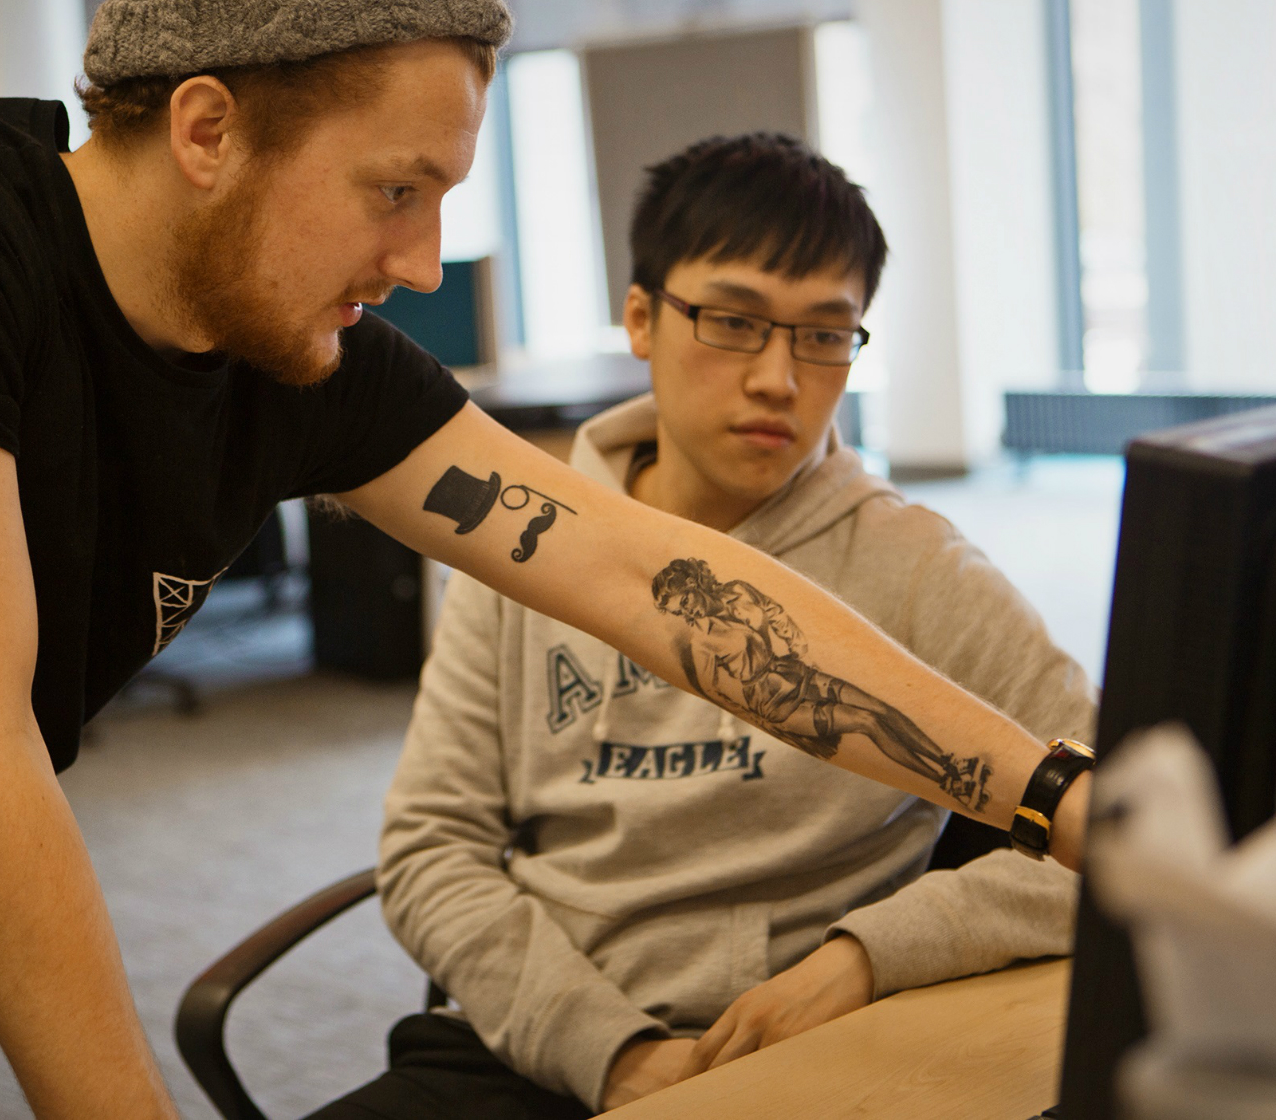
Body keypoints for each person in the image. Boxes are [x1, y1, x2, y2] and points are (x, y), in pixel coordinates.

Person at [0, 0, 1090, 1114]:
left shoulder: (292, 360)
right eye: (393, 190)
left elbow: (641, 575)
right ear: (210, 126)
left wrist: (1052, 793)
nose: (423, 261)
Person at [307, 134, 1098, 1120]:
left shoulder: (920, 568)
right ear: (641, 317)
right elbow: (431, 845)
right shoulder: (520, 545)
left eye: (824, 334)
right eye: (733, 321)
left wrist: (870, 953)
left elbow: (1116, 819)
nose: (778, 378)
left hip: (808, 1041)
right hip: (542, 1042)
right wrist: (609, 1049)